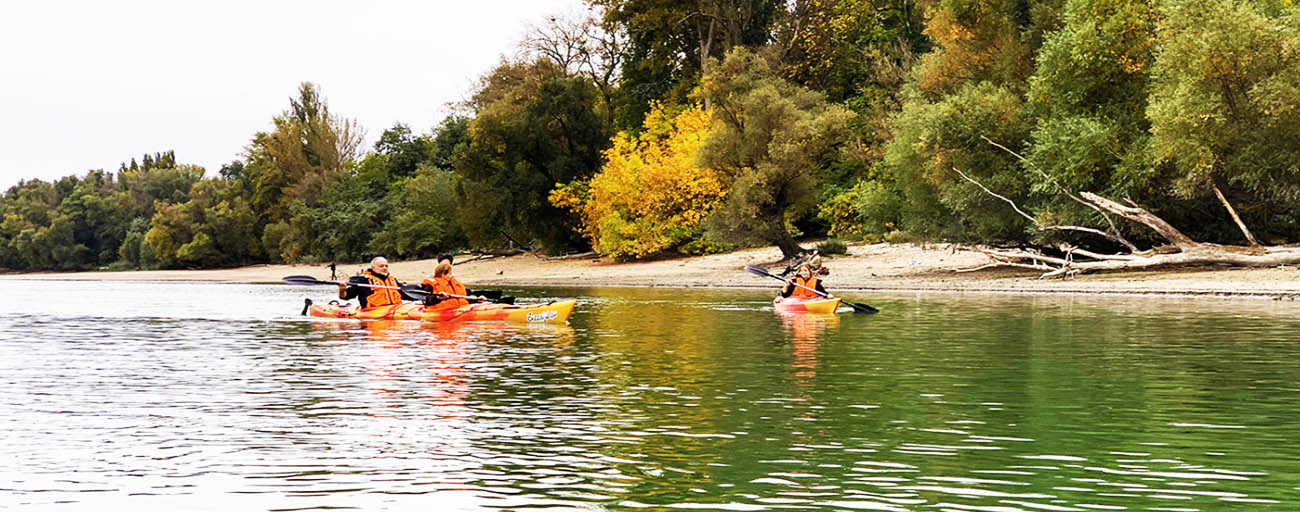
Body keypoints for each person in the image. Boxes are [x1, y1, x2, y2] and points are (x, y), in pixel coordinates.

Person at [337, 256, 416, 309]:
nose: (384, 268)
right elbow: (345, 296)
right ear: (373, 268)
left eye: (386, 266)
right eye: (381, 266)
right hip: (373, 311)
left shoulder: (392, 280)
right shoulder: (364, 280)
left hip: (395, 309)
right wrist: (342, 289)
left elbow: (407, 294)